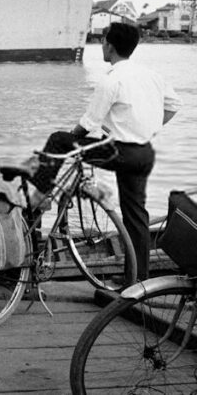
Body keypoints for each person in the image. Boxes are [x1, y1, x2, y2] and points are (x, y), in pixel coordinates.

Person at [40, 22, 181, 280]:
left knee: (57, 140)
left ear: (110, 46)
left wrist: (70, 141)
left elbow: (88, 123)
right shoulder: (151, 75)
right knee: (136, 215)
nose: (102, 46)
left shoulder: (112, 79)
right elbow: (173, 105)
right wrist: (147, 126)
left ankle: (39, 194)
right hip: (143, 154)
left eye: (104, 42)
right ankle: (137, 281)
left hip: (118, 152)